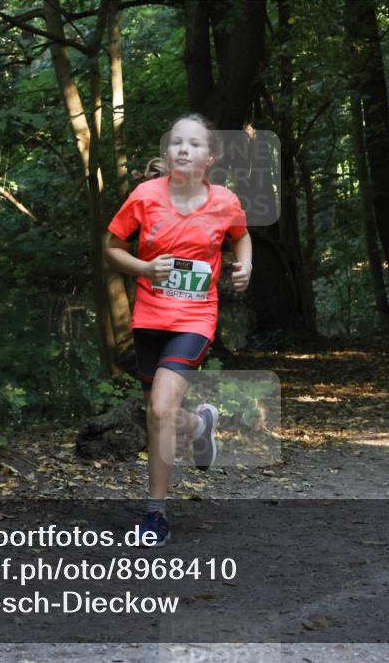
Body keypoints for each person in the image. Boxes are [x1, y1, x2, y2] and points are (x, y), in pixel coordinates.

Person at [105, 114, 253, 547]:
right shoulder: (144, 197)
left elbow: (241, 236)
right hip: (149, 317)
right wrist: (145, 268)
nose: (183, 149)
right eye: (176, 143)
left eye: (194, 144)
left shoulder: (224, 201)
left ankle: (156, 514)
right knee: (160, 413)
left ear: (211, 157)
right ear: (167, 151)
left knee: (159, 410)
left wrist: (246, 264)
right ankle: (201, 425)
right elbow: (111, 248)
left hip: (195, 318)